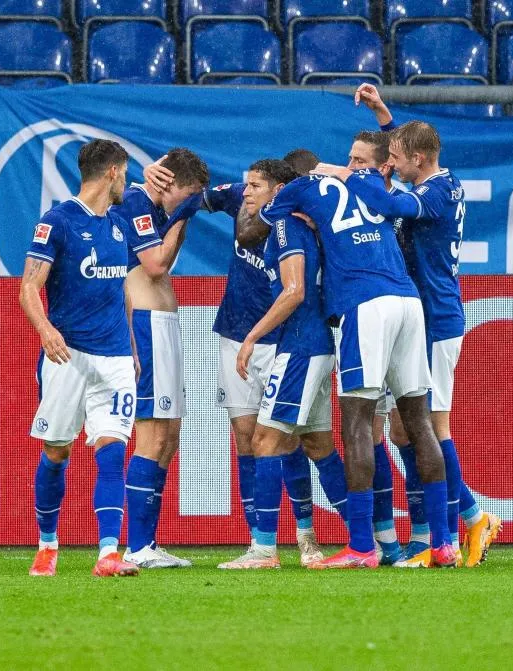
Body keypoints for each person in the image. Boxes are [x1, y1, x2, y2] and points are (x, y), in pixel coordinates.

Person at [145, 155, 344, 566]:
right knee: (246, 437)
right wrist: (164, 210)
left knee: (288, 438)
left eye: (255, 185)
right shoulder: (240, 198)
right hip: (235, 333)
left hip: (280, 339)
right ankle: (259, 540)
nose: (246, 190)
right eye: (246, 184)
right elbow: (192, 199)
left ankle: (305, 535)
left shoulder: (300, 219)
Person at [336, 85, 504, 569]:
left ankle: (460, 527)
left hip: (437, 318)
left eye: (395, 158)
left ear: (418, 158)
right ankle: (450, 525)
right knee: (407, 432)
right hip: (420, 317)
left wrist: (361, 177)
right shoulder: (433, 178)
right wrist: (387, 117)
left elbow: (395, 205)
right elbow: (407, 166)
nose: (390, 165)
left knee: (431, 427)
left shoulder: (436, 193)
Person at [261, 159, 455, 569]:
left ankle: (362, 546)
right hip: (408, 300)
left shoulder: (299, 187)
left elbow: (269, 218)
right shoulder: (369, 179)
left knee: (358, 423)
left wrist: (312, 224)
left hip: (364, 304)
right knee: (420, 422)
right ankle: (443, 543)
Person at [22, 139, 150, 578]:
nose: (128, 180)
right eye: (127, 172)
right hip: (67, 357)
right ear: (113, 171)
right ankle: (47, 545)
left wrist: (132, 347)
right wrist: (46, 330)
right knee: (56, 451)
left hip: (115, 358)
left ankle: (109, 553)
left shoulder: (119, 225)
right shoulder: (57, 221)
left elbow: (124, 292)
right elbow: (28, 288)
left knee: (113, 451)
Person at [219, 206, 349, 569]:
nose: (248, 193)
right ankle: (364, 541)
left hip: (299, 347)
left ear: (278, 190)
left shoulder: (284, 225)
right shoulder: (316, 225)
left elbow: (293, 292)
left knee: (264, 441)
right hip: (318, 344)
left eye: (256, 185)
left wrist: (252, 337)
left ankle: (264, 550)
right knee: (320, 446)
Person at [112, 148, 209, 569]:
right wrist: (184, 217)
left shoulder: (153, 213)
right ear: (169, 184)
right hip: (146, 328)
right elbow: (153, 265)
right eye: (186, 195)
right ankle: (136, 547)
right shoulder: (135, 202)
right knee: (151, 437)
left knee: (168, 438)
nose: (185, 205)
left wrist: (179, 214)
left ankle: (147, 543)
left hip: (163, 327)